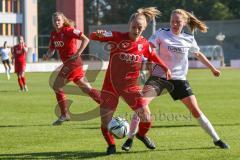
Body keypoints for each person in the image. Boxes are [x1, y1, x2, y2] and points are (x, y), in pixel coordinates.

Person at [122, 8, 229, 151]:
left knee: (195, 110)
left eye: (178, 21)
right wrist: (142, 62)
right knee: (141, 106)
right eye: (172, 21)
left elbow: (198, 54)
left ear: (184, 22)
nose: (174, 24)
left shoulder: (188, 38)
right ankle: (129, 139)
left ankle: (217, 139)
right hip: (158, 78)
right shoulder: (161, 33)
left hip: (179, 80)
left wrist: (213, 69)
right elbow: (148, 48)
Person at [90, 7, 171, 155]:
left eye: (140, 27)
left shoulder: (145, 44)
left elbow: (153, 56)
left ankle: (141, 135)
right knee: (105, 122)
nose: (136, 29)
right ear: (129, 25)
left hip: (130, 87)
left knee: (146, 117)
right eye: (134, 26)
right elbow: (93, 36)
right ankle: (111, 145)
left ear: (144, 28)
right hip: (111, 86)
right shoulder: (116, 36)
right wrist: (97, 34)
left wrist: (165, 67)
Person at [43, 12, 101, 126]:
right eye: (55, 20)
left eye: (59, 20)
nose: (57, 22)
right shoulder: (54, 34)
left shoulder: (69, 30)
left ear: (63, 20)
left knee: (57, 86)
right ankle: (107, 105)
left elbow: (86, 39)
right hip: (71, 64)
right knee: (86, 89)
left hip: (73, 63)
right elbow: (52, 49)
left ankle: (64, 114)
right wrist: (47, 55)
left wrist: (78, 53)